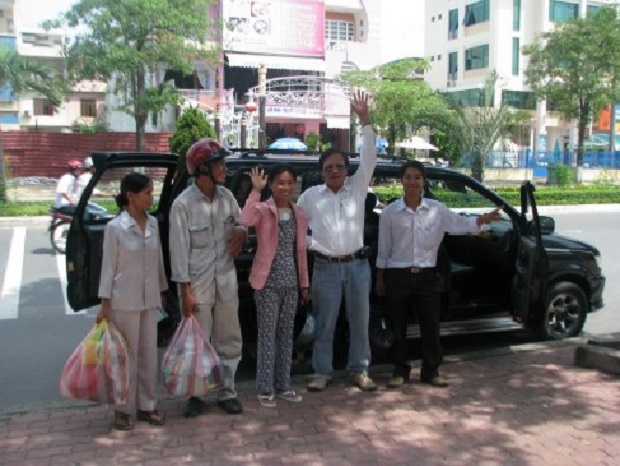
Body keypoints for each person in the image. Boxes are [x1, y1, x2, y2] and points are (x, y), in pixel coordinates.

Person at [375, 161, 501, 389]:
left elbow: (460, 224)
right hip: (397, 276)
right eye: (408, 177)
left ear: (424, 181)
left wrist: (482, 220)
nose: (412, 182)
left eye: (417, 177)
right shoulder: (390, 213)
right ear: (401, 181)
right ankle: (400, 369)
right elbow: (384, 249)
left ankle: (431, 370)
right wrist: (380, 279)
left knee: (431, 326)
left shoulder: (436, 209)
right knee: (397, 326)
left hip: (427, 277)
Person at [297, 90, 378, 392]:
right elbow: (295, 230)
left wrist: (365, 119)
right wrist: (310, 245)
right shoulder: (309, 196)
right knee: (324, 323)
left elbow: (369, 157)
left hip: (357, 267)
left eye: (339, 167)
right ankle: (322, 372)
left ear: (347, 170)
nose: (334, 171)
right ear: (321, 172)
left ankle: (359, 370)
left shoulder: (357, 188)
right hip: (325, 269)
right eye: (328, 167)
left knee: (360, 322)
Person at [169, 138, 247, 417]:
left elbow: (241, 225)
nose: (224, 168)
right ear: (202, 169)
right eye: (219, 164)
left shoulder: (227, 198)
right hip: (197, 286)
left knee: (229, 339)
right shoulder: (183, 205)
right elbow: (178, 252)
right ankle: (197, 395)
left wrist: (241, 232)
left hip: (225, 282)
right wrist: (184, 292)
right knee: (198, 341)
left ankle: (227, 392)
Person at [97, 172, 168, 430]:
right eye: (147, 192)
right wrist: (105, 304)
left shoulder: (153, 224)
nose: (151, 197)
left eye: (152, 192)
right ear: (131, 195)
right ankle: (122, 408)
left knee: (148, 354)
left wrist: (162, 290)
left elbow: (158, 260)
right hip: (123, 300)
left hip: (149, 300)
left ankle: (147, 405)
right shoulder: (115, 227)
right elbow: (108, 267)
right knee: (125, 357)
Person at [239, 165, 310, 408]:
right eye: (280, 182)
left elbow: (300, 251)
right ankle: (265, 388)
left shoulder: (299, 213)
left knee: (286, 335)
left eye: (290, 182)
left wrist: (304, 283)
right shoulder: (263, 209)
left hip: (291, 282)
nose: (285, 187)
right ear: (271, 184)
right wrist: (255, 191)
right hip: (267, 281)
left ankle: (283, 384)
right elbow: (244, 219)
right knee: (267, 336)